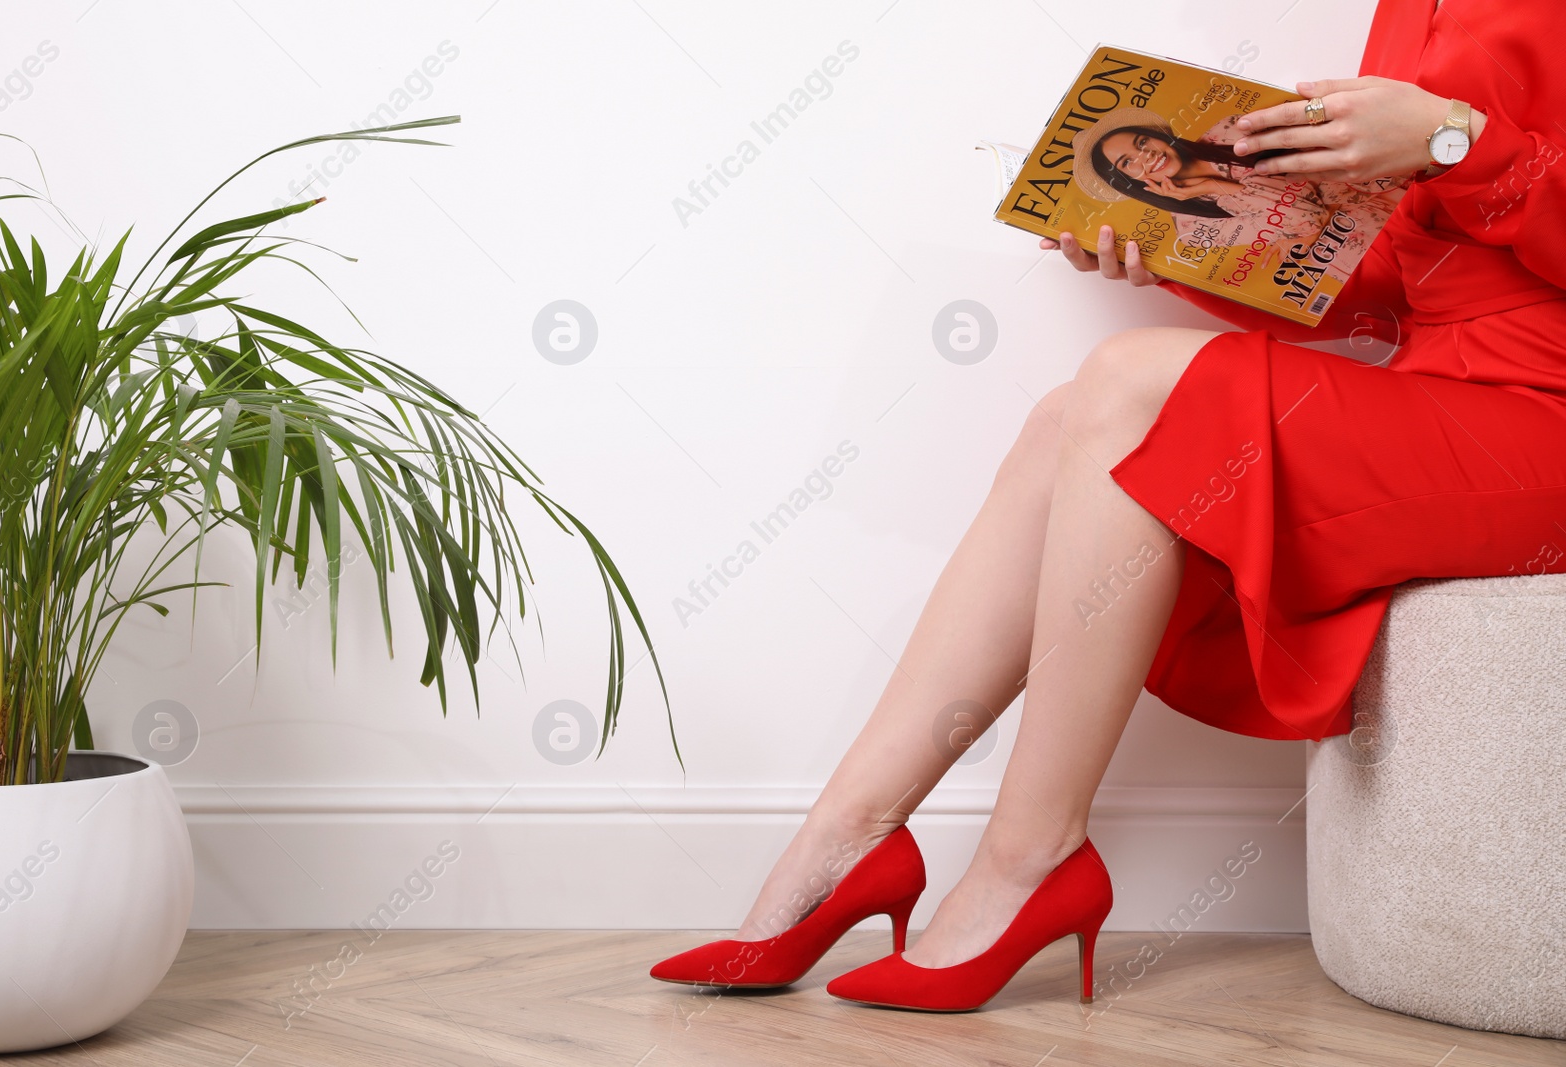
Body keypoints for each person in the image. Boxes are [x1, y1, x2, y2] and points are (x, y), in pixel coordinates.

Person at [652, 0, 1566, 1013]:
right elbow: (1396, 279)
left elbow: (1485, 188)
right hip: (1459, 390)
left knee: (1131, 386)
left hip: (1547, 419)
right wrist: (1178, 243)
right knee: (1068, 420)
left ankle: (1030, 853)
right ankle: (847, 836)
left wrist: (1454, 139)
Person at [1072, 106, 1406, 282]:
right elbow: (1307, 218)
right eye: (1128, 162)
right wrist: (1212, 188)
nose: (1144, 156)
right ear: (1125, 180)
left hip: (1401, 187)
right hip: (1370, 254)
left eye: (1142, 142)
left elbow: (1323, 145)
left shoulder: (1228, 131)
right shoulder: (1191, 230)